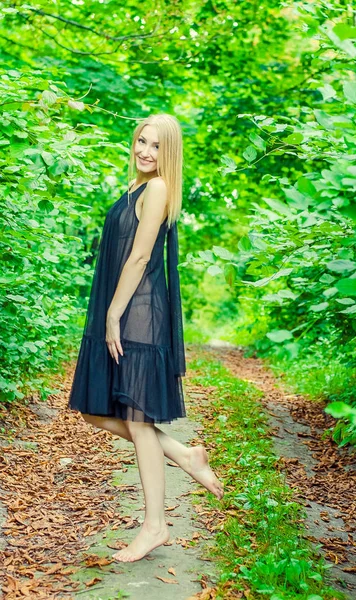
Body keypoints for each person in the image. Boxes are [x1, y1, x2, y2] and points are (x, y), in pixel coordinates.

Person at [68, 113, 224, 564]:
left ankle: (155, 525)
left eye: (156, 146)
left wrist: (114, 313)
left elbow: (138, 258)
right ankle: (184, 455)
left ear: (168, 155)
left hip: (138, 313)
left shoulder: (157, 189)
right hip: (123, 309)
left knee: (136, 420)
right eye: (141, 140)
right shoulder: (133, 188)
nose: (145, 151)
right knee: (97, 412)